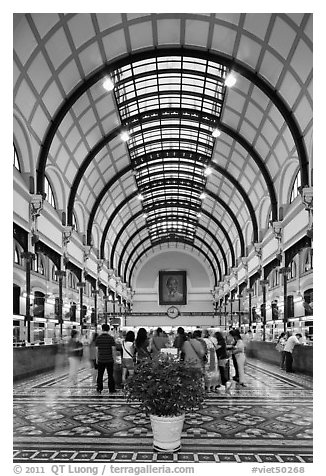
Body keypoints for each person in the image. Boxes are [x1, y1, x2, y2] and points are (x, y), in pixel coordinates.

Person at [95, 324, 117, 394]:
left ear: (102, 329)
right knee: (110, 375)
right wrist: (114, 359)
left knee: (100, 374)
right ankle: (111, 389)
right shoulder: (111, 338)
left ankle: (99, 388)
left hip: (101, 359)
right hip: (109, 359)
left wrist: (97, 359)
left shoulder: (98, 338)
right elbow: (113, 350)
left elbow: (96, 350)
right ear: (108, 329)